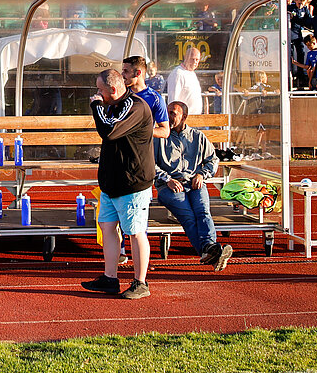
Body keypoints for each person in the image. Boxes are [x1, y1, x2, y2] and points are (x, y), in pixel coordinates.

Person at [85, 68, 154, 299]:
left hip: (132, 183)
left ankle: (140, 282)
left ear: (113, 90)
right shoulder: (114, 105)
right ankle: (110, 278)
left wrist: (96, 106)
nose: (97, 94)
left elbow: (109, 131)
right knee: (107, 227)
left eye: (100, 90)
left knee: (135, 232)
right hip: (111, 183)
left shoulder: (135, 106)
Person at [154, 100, 234, 270]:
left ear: (184, 117)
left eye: (172, 113)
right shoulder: (159, 138)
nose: (168, 116)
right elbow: (149, 164)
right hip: (169, 186)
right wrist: (167, 179)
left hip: (194, 182)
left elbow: (213, 160)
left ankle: (208, 251)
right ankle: (210, 249)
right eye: (167, 112)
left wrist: (201, 175)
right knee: (189, 216)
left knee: (203, 211)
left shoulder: (198, 137)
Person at [121, 55, 170, 138]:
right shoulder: (120, 95)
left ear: (138, 73)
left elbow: (165, 131)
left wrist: (140, 130)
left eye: (126, 71)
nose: (122, 75)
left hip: (142, 148)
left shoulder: (155, 98)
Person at [166, 46, 205, 116]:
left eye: (197, 59)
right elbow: (173, 100)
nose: (195, 62)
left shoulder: (192, 73)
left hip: (196, 118)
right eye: (192, 59)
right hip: (183, 119)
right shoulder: (178, 73)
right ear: (185, 57)